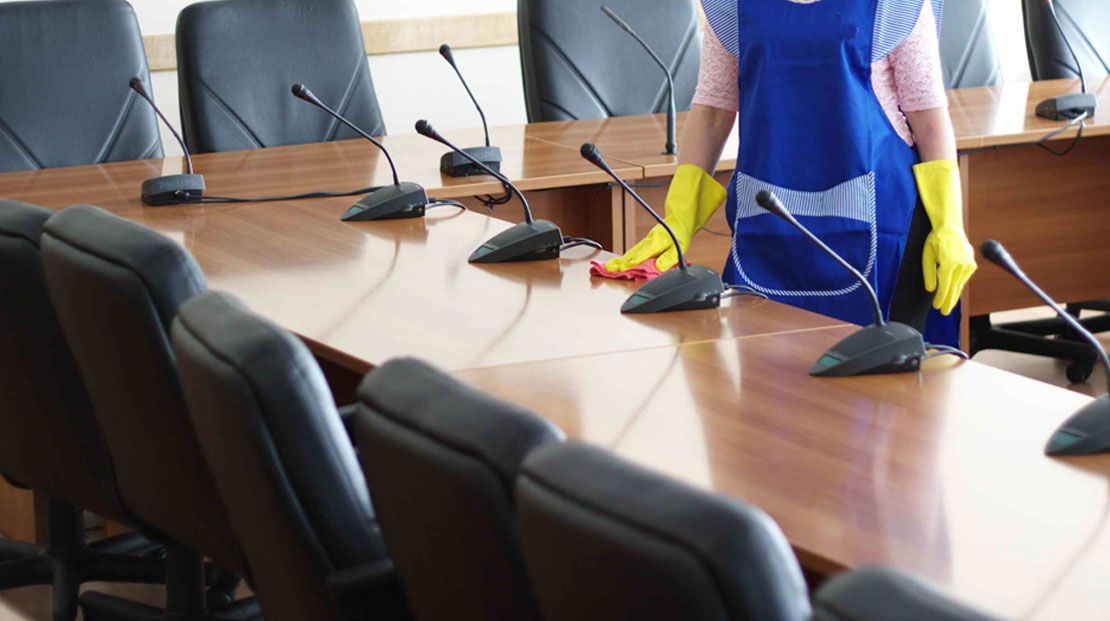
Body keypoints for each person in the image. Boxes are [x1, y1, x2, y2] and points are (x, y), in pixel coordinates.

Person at [599, 0, 976, 346]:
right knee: (767, 392)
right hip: (768, 226)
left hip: (884, 226)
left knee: (883, 403)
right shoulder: (733, 5)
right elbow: (714, 109)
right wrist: (679, 218)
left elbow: (927, 115)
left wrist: (949, 224)